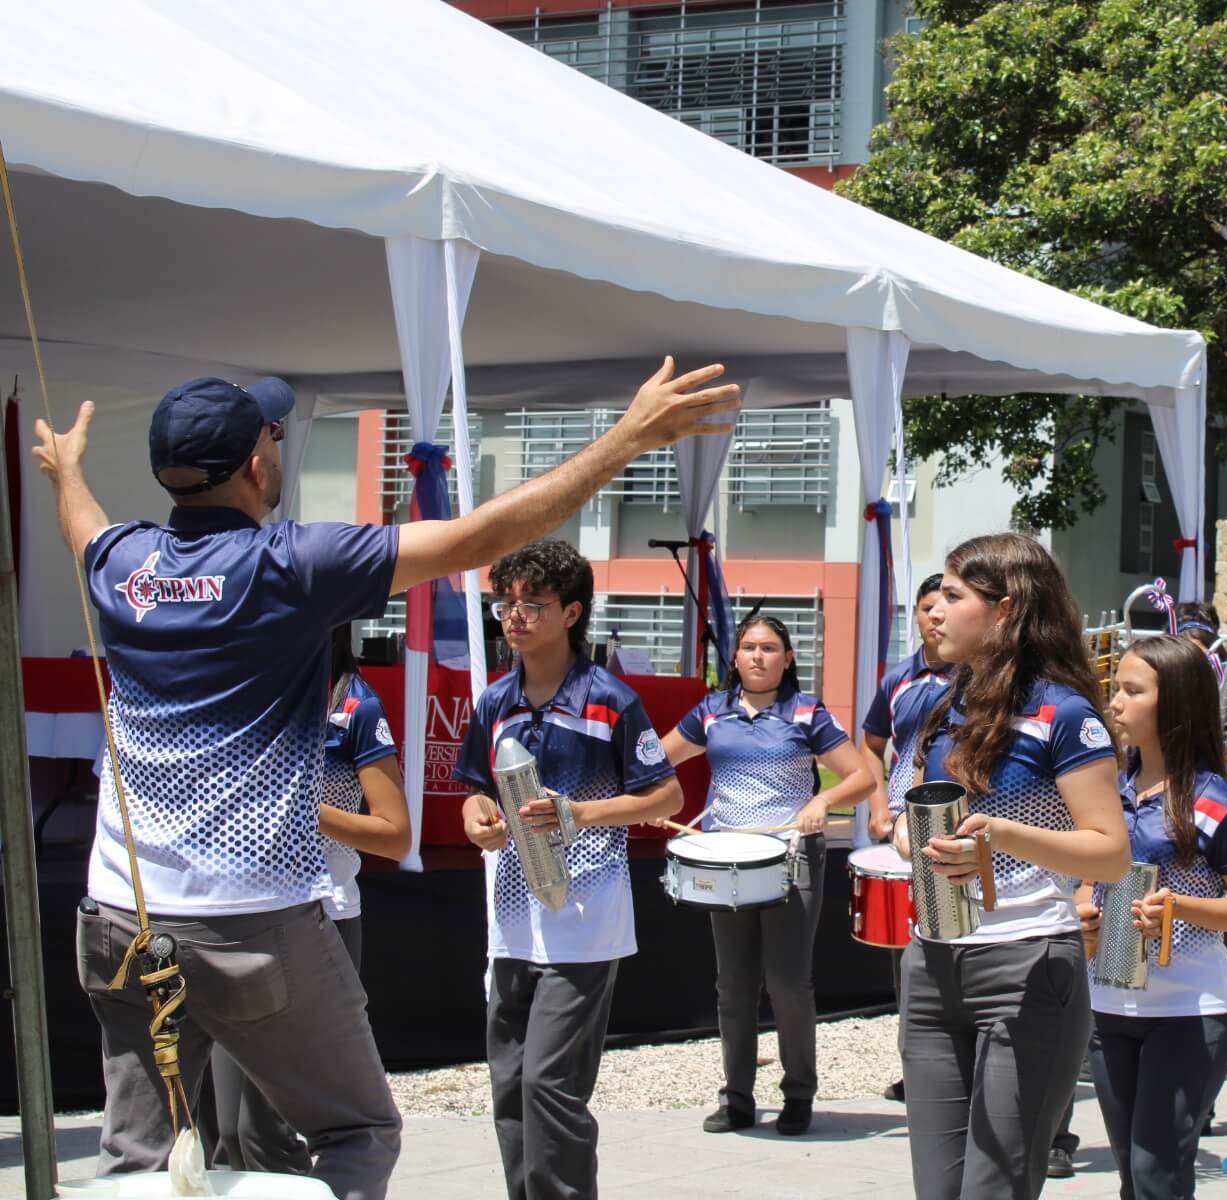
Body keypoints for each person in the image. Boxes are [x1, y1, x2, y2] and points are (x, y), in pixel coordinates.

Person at [34, 361, 735, 1199]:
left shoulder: (121, 561)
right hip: (249, 920)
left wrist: (66, 472)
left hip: (119, 912)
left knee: (137, 1159)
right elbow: (478, 538)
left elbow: (83, 529)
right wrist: (628, 440)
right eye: (273, 433)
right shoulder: (290, 563)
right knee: (358, 1132)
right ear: (259, 468)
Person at [896, 532, 1131, 1200]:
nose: (933, 609)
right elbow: (900, 818)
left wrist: (1000, 836)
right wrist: (918, 842)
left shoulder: (1063, 712)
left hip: (1029, 967)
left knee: (994, 1189)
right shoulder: (930, 704)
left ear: (1005, 610)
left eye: (952, 595)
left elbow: (1110, 850)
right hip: (931, 965)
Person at [455, 539, 685, 1200]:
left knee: (549, 1086)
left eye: (535, 603)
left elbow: (664, 796)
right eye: (507, 601)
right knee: (508, 1087)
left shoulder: (610, 698)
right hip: (509, 924)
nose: (515, 615)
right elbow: (475, 788)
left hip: (584, 922)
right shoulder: (494, 701)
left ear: (572, 612)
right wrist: (478, 819)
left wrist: (577, 815)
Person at [198, 623, 410, 1175]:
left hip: (322, 920)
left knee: (264, 1129)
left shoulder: (356, 707)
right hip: (239, 919)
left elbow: (395, 833)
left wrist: (299, 806)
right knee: (225, 1130)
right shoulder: (250, 695)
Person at [658, 614, 873, 1136]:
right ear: (734, 658)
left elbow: (864, 777)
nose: (757, 656)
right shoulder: (712, 712)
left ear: (787, 658)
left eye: (769, 648)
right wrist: (646, 798)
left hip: (791, 856)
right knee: (733, 985)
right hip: (726, 856)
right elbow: (655, 762)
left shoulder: (806, 713)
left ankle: (799, 1092)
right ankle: (736, 1098)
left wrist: (822, 799)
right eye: (749, 647)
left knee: (787, 983)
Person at [1086, 635, 1227, 1200]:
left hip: (1189, 1011)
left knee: (1157, 1173)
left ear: (1175, 704)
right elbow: (1086, 878)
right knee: (1132, 1176)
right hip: (1107, 1005)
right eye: (1116, 688)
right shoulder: (1105, 793)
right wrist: (1084, 908)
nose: (1114, 702)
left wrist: (1178, 907)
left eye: (1131, 690)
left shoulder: (1215, 803)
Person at [861, 573, 955, 1105]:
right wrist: (878, 806)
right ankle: (917, 1064)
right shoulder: (898, 678)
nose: (935, 615)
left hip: (957, 822)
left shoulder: (980, 677)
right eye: (926, 607)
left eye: (946, 604)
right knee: (912, 954)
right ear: (915, 615)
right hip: (903, 827)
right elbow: (872, 745)